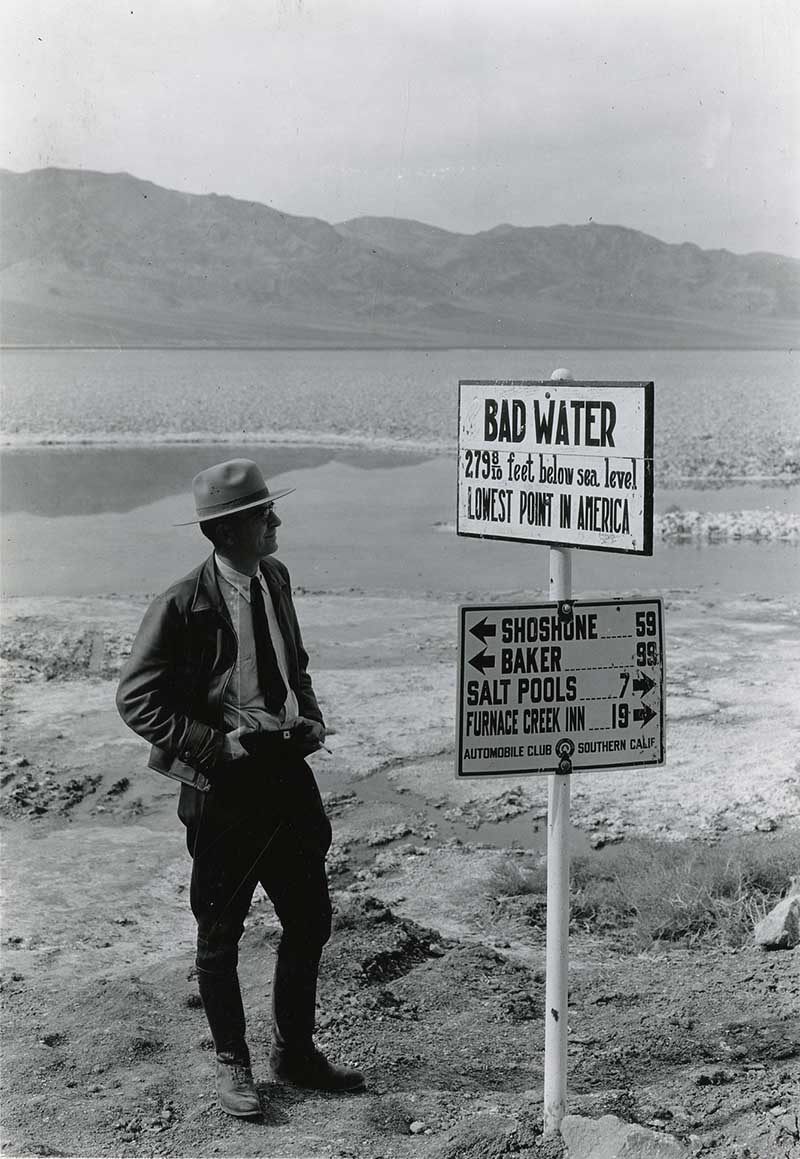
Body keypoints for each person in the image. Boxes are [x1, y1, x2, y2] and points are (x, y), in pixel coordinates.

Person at [116, 458, 364, 1118]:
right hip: (224, 784)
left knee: (310, 915)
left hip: (286, 772)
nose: (275, 521)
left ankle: (297, 1051)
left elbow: (293, 661)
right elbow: (136, 699)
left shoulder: (273, 576)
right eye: (263, 514)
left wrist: (307, 713)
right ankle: (234, 1066)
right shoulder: (180, 604)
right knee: (220, 930)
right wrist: (210, 742)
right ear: (227, 531)